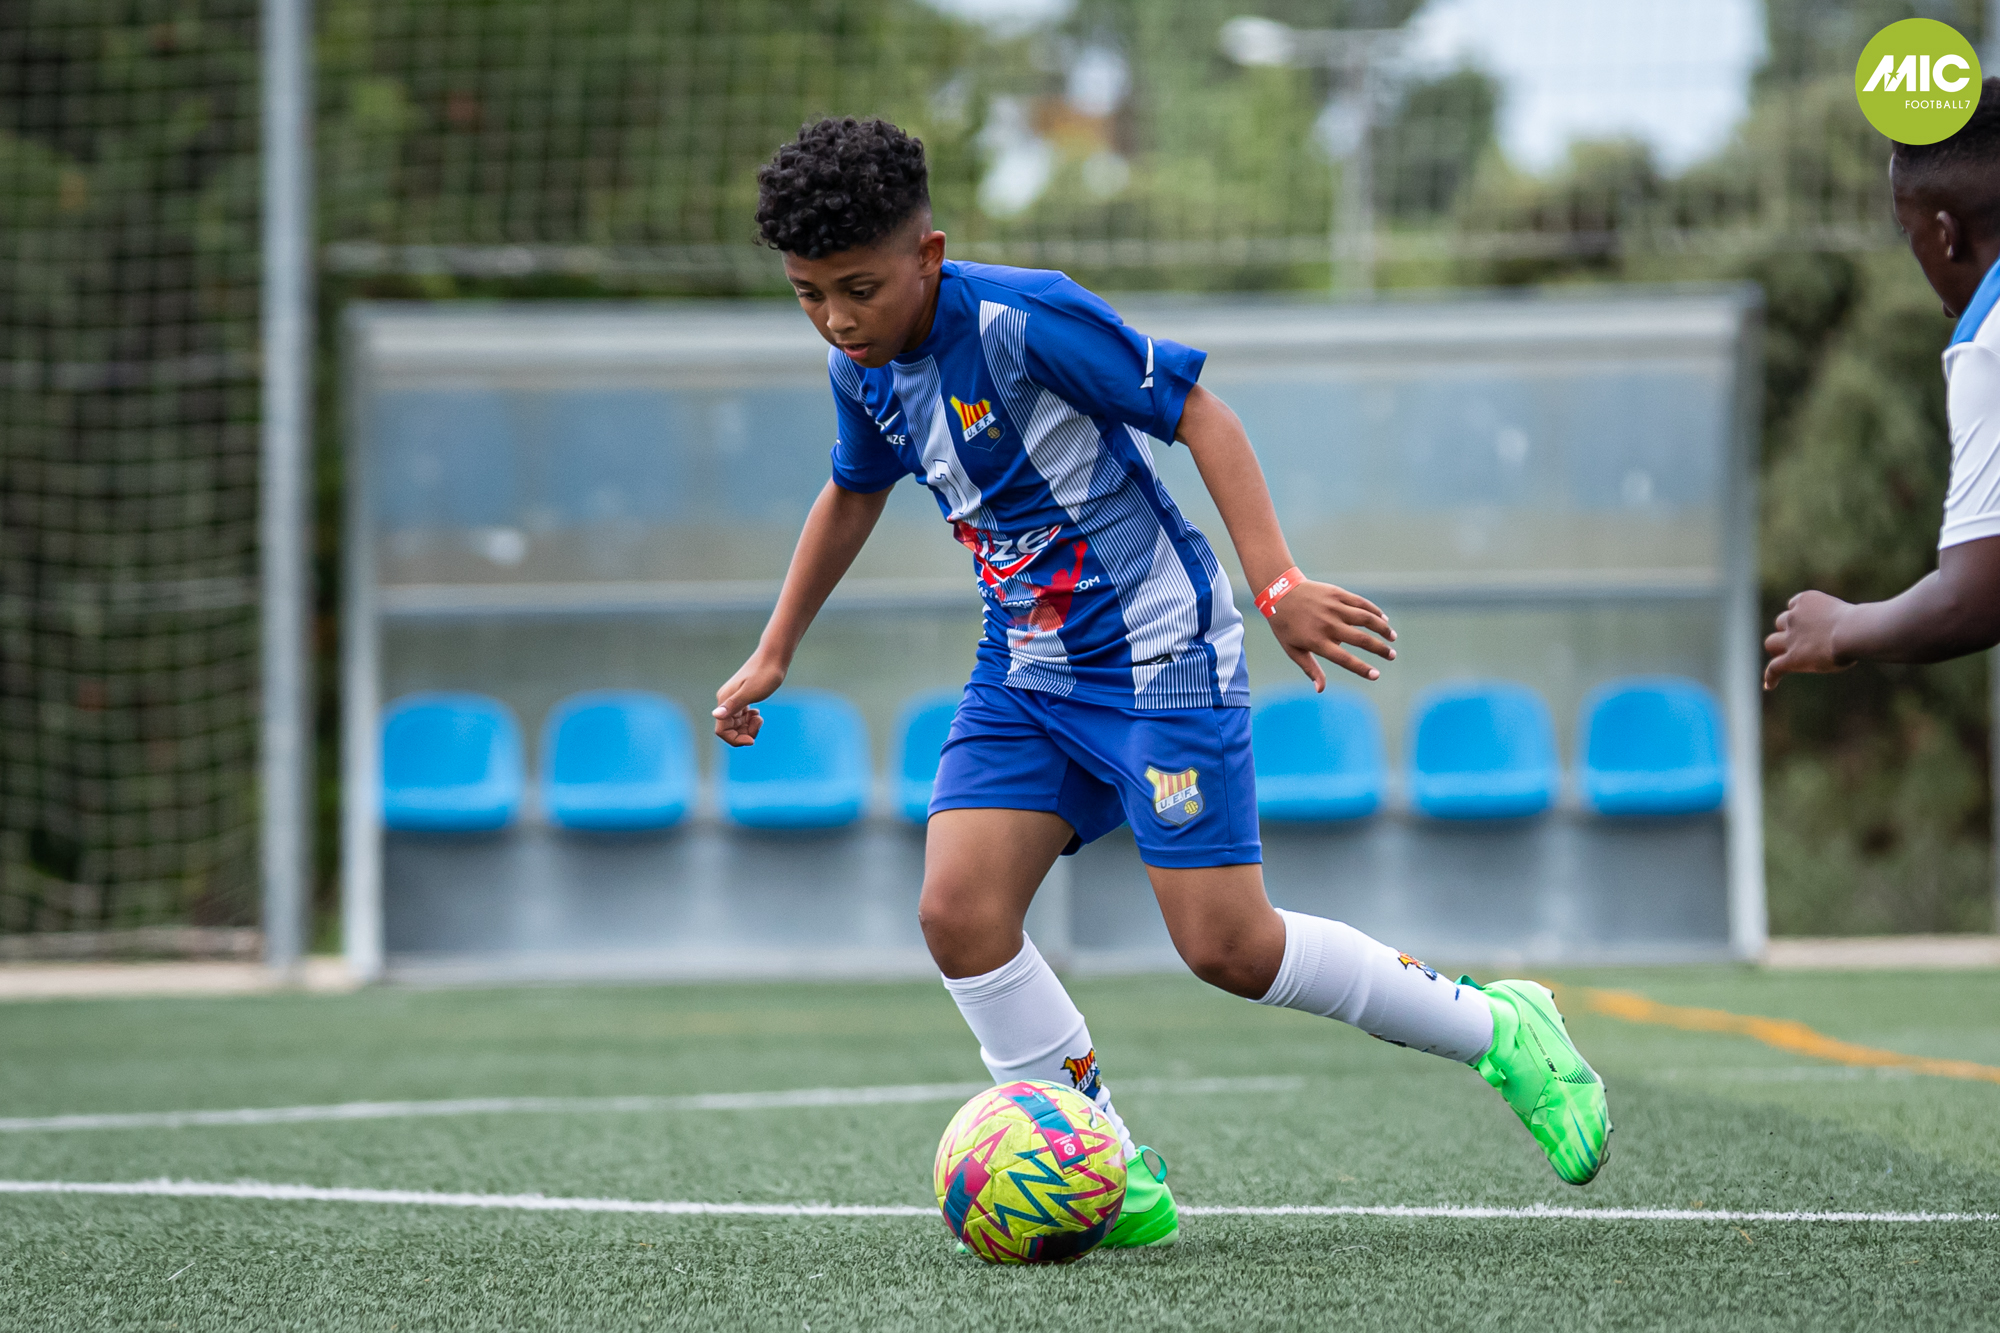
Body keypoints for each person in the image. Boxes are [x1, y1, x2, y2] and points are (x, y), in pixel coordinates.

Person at [713, 116, 1611, 1248]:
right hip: (1024, 670)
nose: (837, 319)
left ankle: (1496, 1028)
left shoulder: (1024, 319)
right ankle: (1106, 1162)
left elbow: (1200, 415)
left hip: (1160, 658)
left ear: (927, 255)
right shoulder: (860, 367)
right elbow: (853, 489)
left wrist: (1277, 585)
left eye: (858, 289)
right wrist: (776, 648)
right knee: (958, 912)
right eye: (807, 295)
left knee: (1227, 947)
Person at [1765, 80, 2000, 687]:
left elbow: (1972, 599)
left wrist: (1840, 627)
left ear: (1946, 234)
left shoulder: (1990, 341)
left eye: (1907, 232)